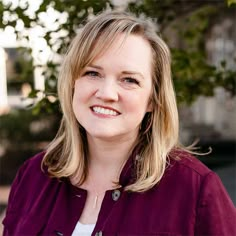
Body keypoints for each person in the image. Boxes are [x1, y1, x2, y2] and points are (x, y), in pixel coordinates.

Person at [2, 10, 236, 236]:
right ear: (73, 82)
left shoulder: (195, 190)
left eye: (129, 80)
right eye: (93, 73)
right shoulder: (33, 176)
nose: (107, 93)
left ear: (153, 100)